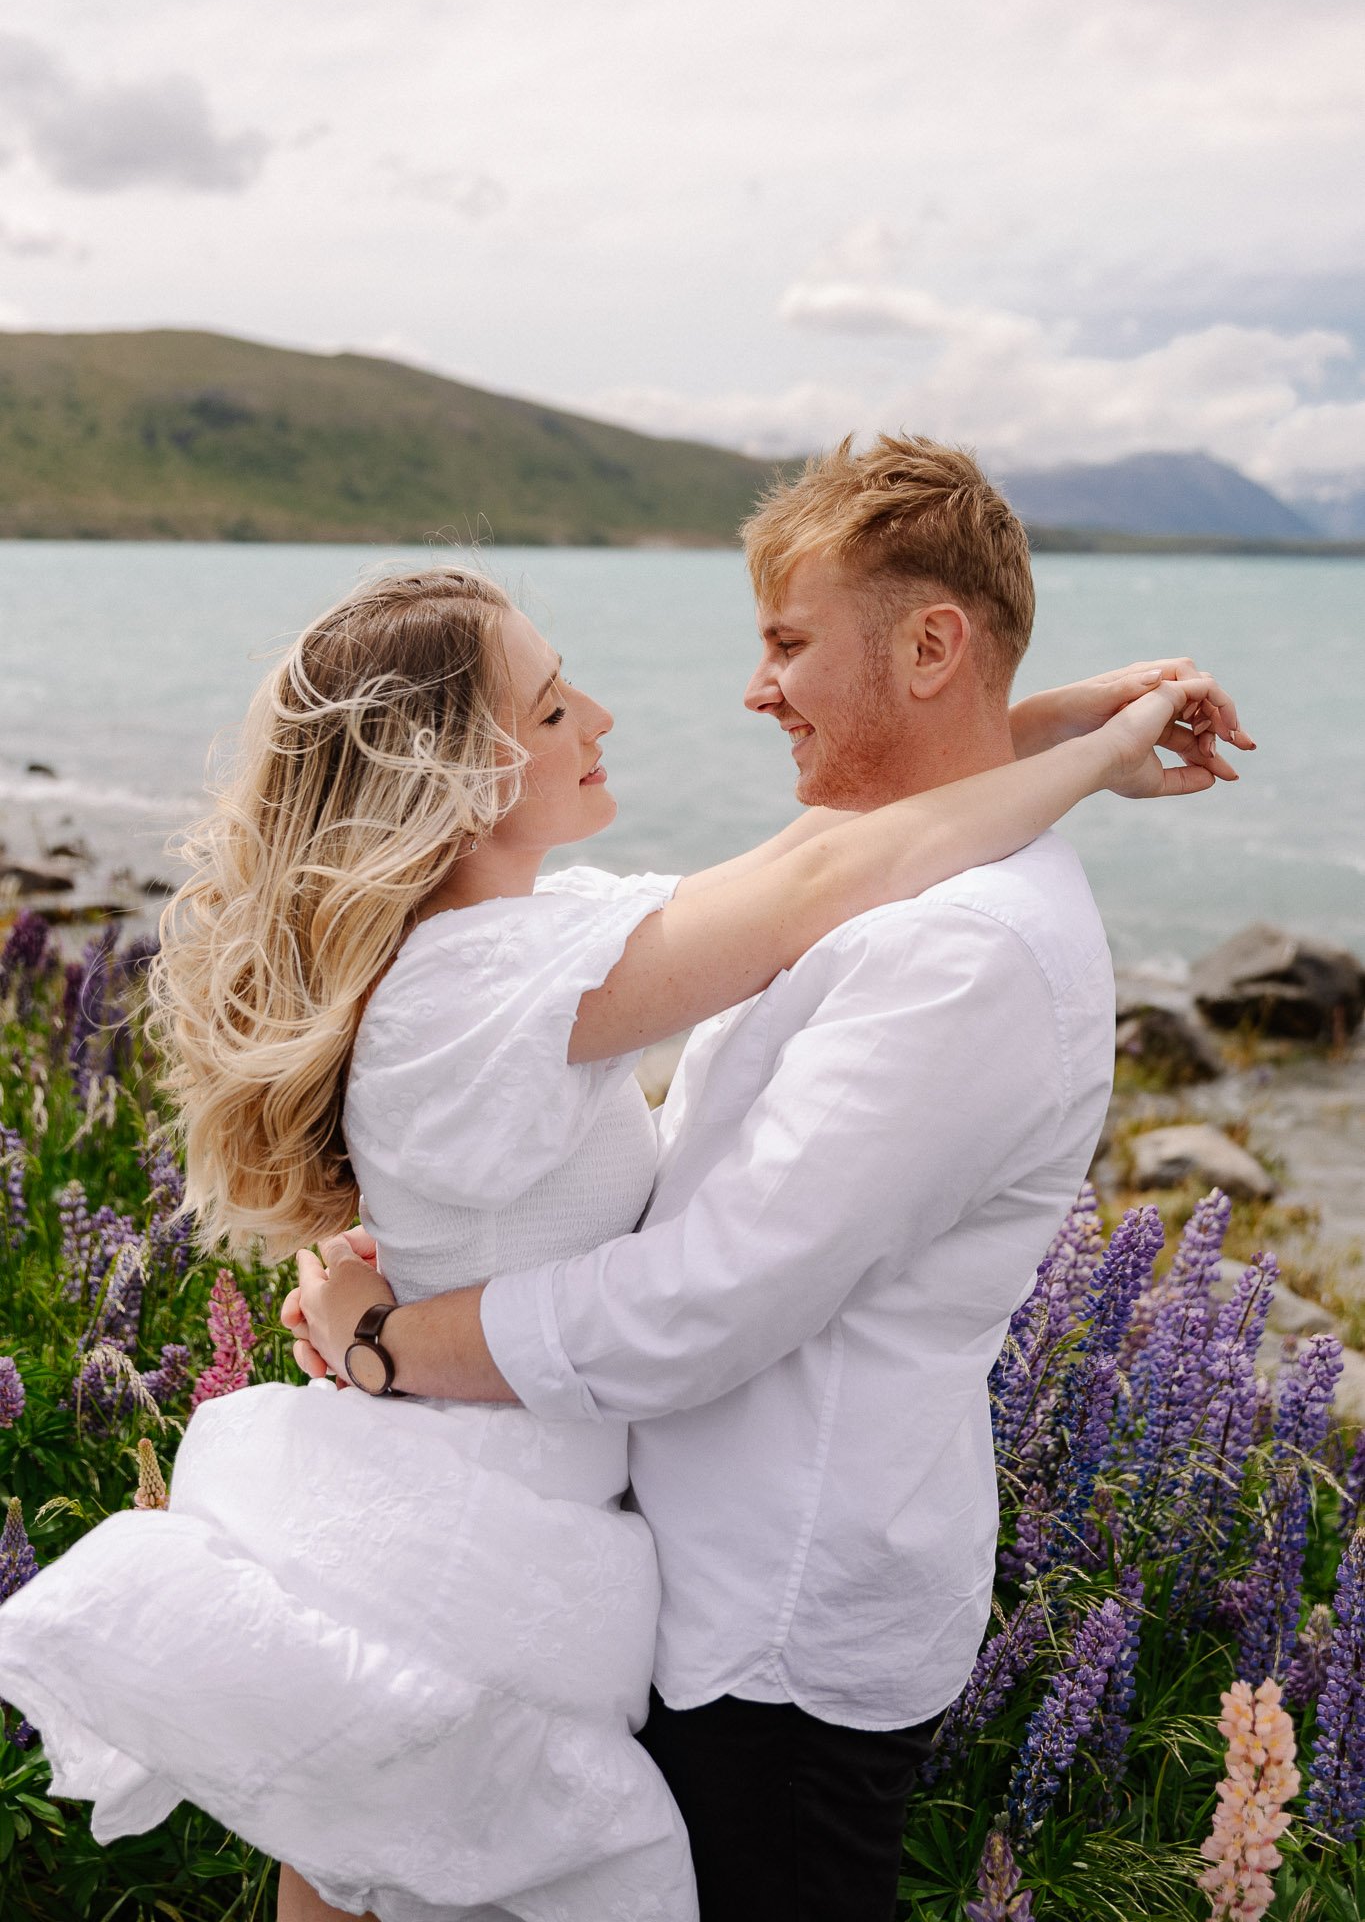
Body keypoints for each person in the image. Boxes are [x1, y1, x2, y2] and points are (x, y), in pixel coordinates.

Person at [0, 473, 1241, 1922]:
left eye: (787, 643)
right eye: (550, 708)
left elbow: (811, 862)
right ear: (455, 779)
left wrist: (1055, 727)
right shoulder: (485, 984)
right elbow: (830, 870)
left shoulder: (549, 938)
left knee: (383, 1868)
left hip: (639, 1561)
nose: (606, 716)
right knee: (378, 1870)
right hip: (491, 1526)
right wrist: (1083, 753)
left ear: (928, 645)